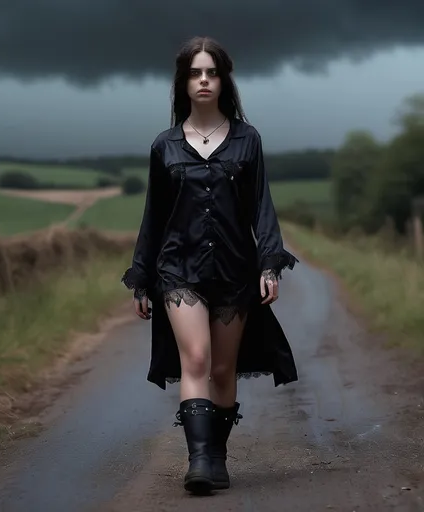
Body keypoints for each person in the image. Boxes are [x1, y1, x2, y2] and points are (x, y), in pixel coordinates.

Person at [121, 36, 298, 495]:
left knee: (223, 370)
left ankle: (216, 458)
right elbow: (153, 216)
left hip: (235, 269)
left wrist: (269, 266)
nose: (204, 80)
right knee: (196, 358)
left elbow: (262, 207)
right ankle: (197, 461)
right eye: (195, 73)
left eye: (212, 72)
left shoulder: (247, 139)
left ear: (223, 80)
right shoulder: (164, 146)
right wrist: (141, 279)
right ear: (183, 82)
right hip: (178, 269)